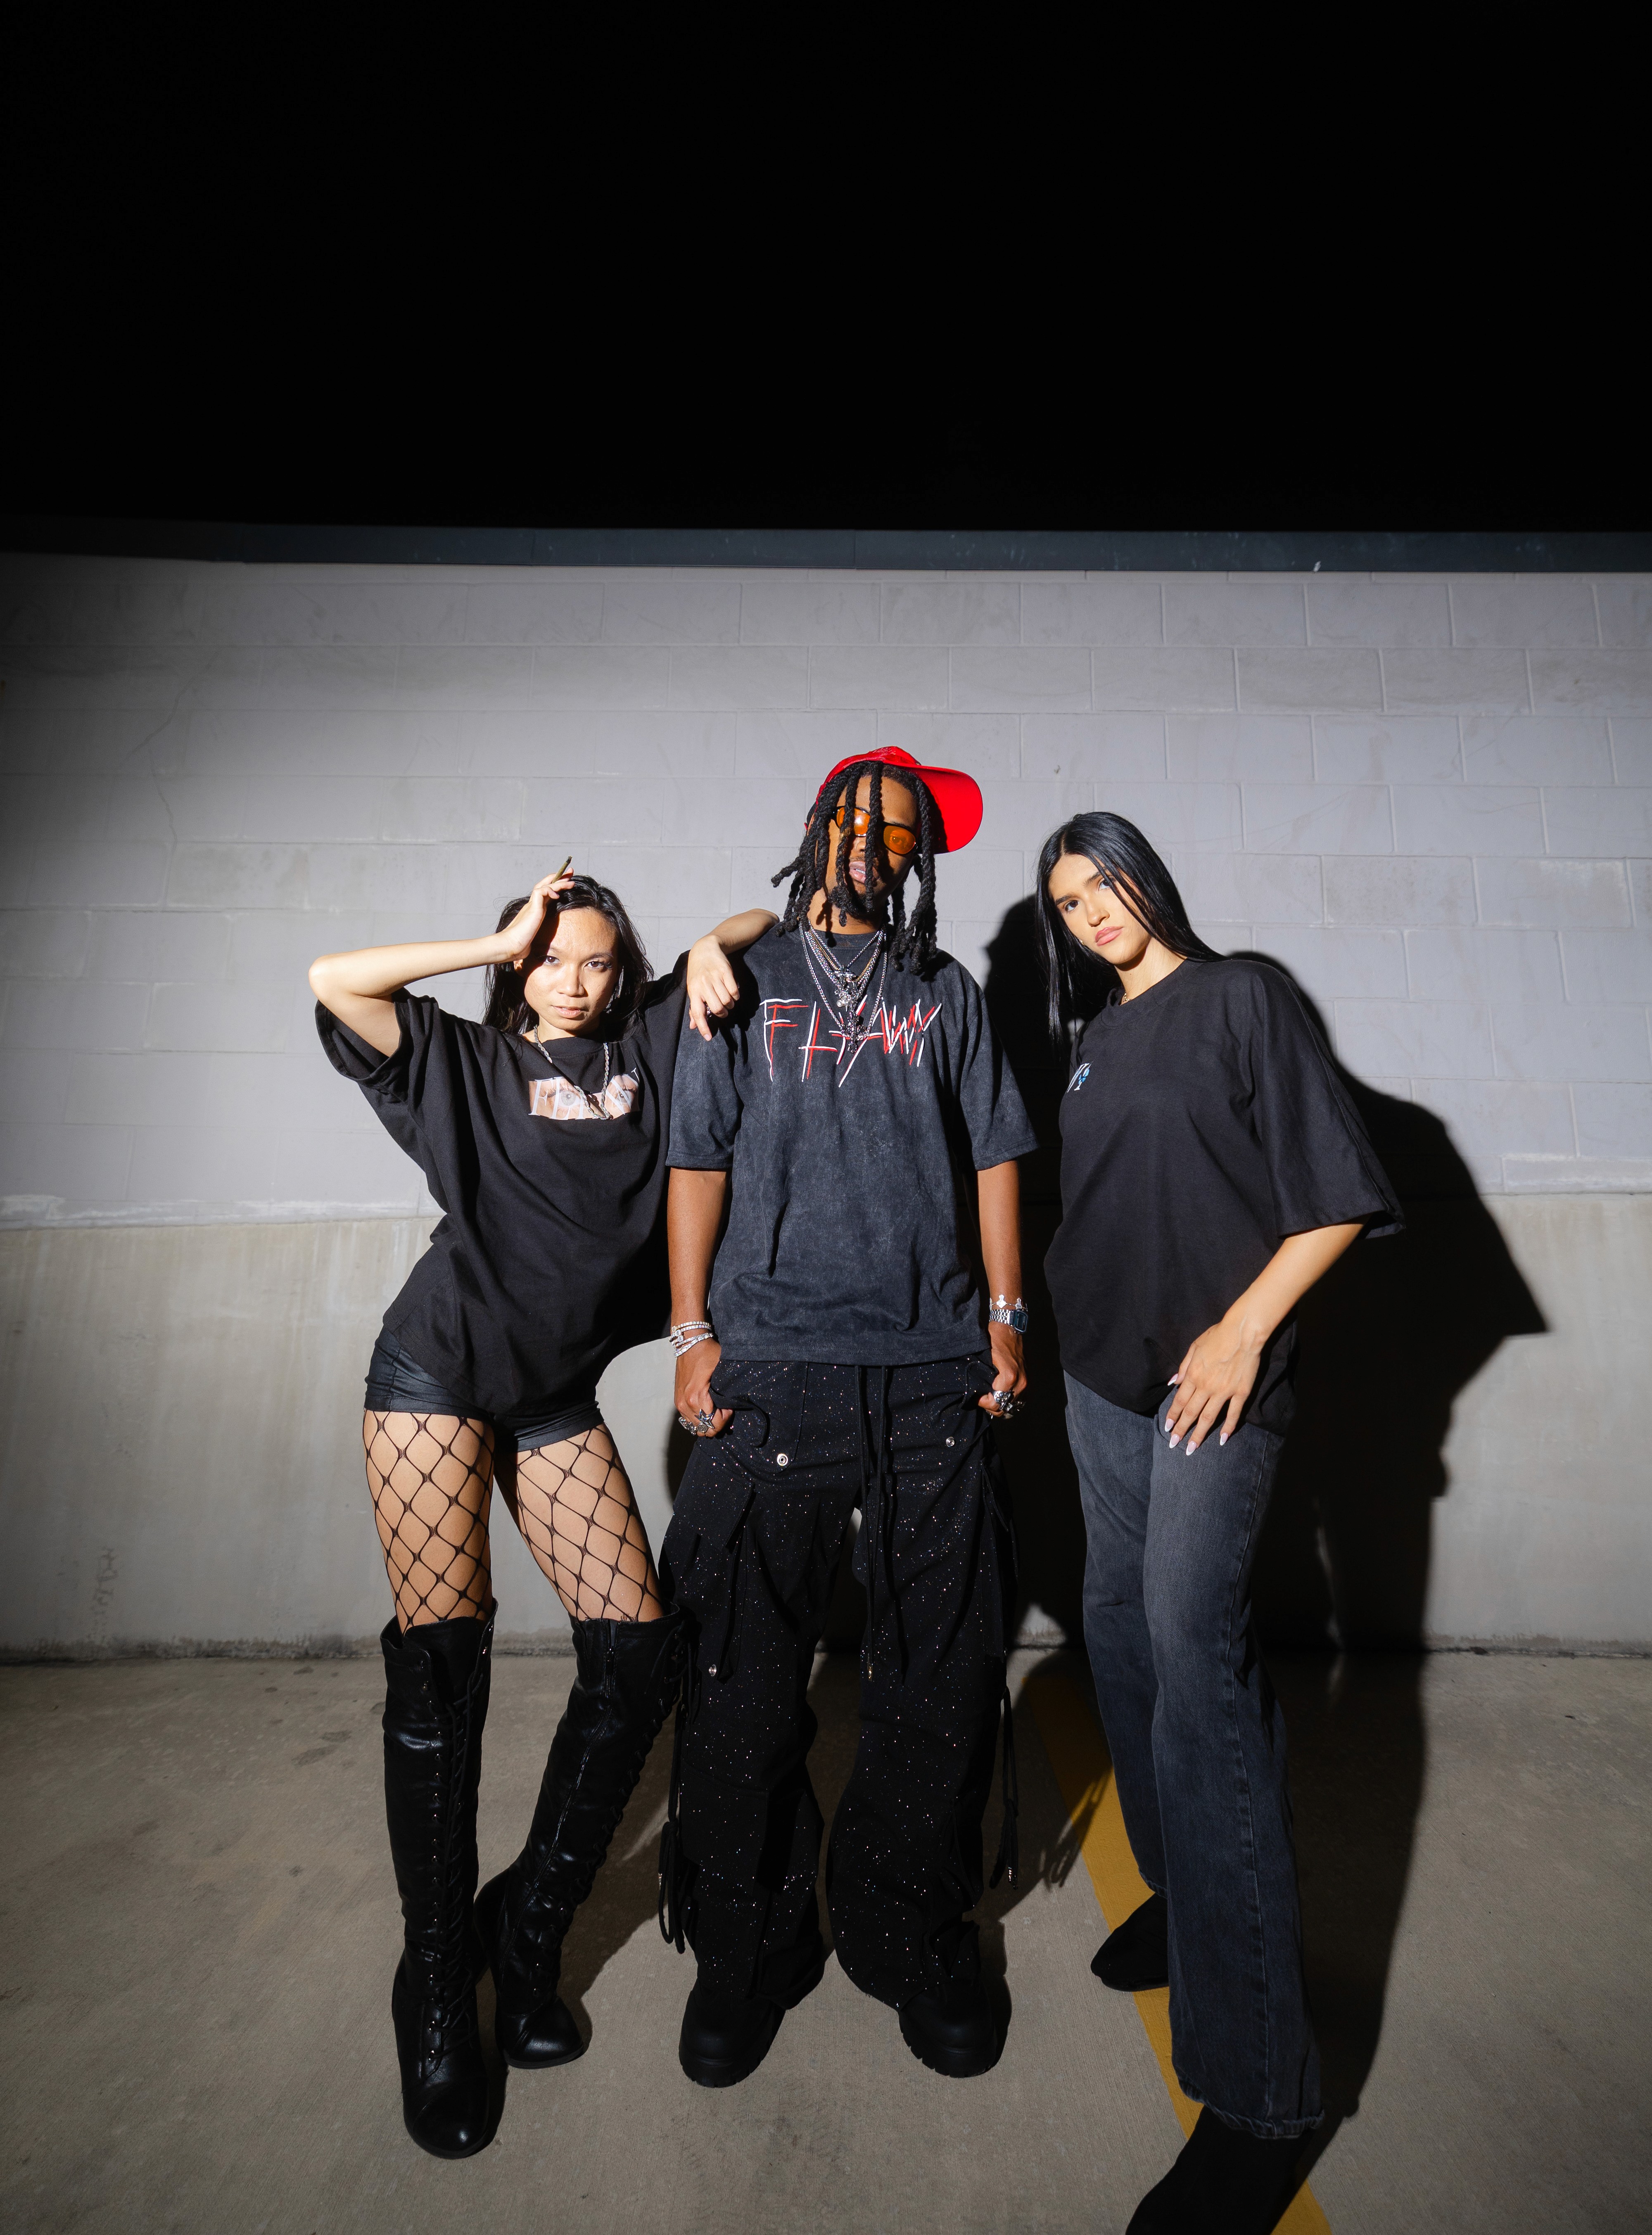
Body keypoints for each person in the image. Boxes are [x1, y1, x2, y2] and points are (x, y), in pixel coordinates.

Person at [308, 868, 776, 2160]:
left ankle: (524, 1938)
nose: (575, 981)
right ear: (519, 967)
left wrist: (708, 942)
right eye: (551, 959)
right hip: (438, 1373)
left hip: (549, 1394)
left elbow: (766, 921)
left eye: (596, 961)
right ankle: (434, 1984)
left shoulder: (652, 1046)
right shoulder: (462, 1064)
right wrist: (492, 936)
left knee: (636, 1654)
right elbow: (335, 980)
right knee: (443, 1667)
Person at [1036, 811, 1402, 2235]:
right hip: (1099, 1382)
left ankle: (1260, 2099)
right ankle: (1187, 1906)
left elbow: (1334, 1199)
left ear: (1149, 877)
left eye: (1105, 882)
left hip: (1211, 1386)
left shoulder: (1243, 995)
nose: (1092, 912)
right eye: (1068, 901)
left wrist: (1243, 1332)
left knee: (1199, 1671)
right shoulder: (1088, 1039)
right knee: (1122, 1642)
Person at [660, 745, 1039, 2090]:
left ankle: (907, 1932)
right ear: (815, 826)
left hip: (932, 1366)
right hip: (773, 1364)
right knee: (740, 1681)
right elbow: (696, 1159)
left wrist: (1007, 1312)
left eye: (899, 834)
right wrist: (693, 1332)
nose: (874, 847)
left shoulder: (947, 990)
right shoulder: (737, 982)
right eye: (856, 822)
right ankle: (750, 1948)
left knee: (938, 1677)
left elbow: (997, 1150)